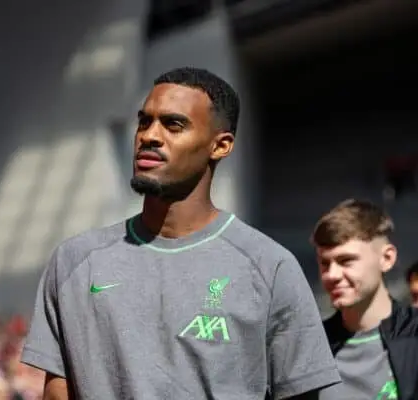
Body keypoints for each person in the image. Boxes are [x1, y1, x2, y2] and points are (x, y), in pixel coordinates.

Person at [21, 67, 340, 399]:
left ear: (221, 146)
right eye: (144, 122)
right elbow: (57, 390)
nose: (149, 136)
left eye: (173, 125)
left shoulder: (270, 267)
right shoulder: (75, 261)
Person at [312, 199, 418, 399]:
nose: (331, 275)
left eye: (346, 261)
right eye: (325, 263)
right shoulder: (309, 348)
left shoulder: (413, 335)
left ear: (386, 259)